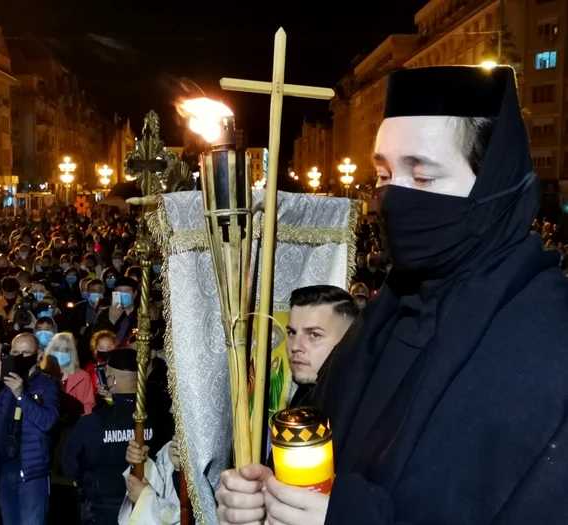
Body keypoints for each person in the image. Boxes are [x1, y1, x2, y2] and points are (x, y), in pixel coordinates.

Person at [216, 66, 568, 525]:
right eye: (384, 174)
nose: (394, 200)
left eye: (422, 178)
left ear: (494, 185)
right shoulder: (381, 320)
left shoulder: (550, 346)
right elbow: (315, 469)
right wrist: (267, 502)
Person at [0, 333, 59, 525]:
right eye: (15, 352)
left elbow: (48, 422)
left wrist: (21, 395)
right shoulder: (2, 383)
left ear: (39, 355)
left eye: (26, 353)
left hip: (31, 472)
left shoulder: (47, 384)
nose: (20, 357)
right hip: (3, 471)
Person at [61, 348, 153, 524]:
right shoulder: (157, 419)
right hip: (148, 505)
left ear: (111, 379)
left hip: (102, 509)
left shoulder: (93, 423)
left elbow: (69, 466)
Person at [285, 286, 359, 408]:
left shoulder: (359, 410)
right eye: (292, 333)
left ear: (348, 340)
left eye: (314, 335)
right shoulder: (304, 395)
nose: (295, 346)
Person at [44, 332, 95, 417]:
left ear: (72, 353)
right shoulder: (42, 375)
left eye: (65, 350)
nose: (60, 354)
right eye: (56, 349)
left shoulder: (82, 377)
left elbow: (87, 407)